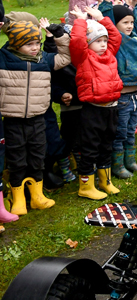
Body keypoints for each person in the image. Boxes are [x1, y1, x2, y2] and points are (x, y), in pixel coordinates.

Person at [1, 17, 70, 215]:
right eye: (29, 44)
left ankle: (37, 195)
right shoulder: (4, 59)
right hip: (13, 120)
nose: (35, 48)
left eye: (37, 43)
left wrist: (60, 36)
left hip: (38, 118)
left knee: (38, 155)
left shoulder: (44, 59)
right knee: (17, 158)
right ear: (15, 44)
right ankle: (18, 198)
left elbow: (65, 57)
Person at [99, 0, 137, 178]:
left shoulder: (133, 36)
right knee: (120, 131)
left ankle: (130, 160)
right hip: (121, 96)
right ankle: (117, 164)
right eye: (125, 23)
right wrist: (106, 0)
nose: (130, 26)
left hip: (134, 95)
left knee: (131, 130)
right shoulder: (116, 40)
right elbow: (108, 20)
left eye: (131, 23)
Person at [69, 6, 124, 201]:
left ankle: (105, 181)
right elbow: (77, 42)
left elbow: (116, 37)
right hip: (93, 110)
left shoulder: (109, 54)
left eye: (104, 41)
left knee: (107, 145)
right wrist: (81, 21)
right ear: (88, 42)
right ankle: (86, 186)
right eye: (97, 41)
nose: (103, 45)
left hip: (111, 108)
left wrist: (102, 19)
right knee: (90, 147)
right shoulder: (83, 57)